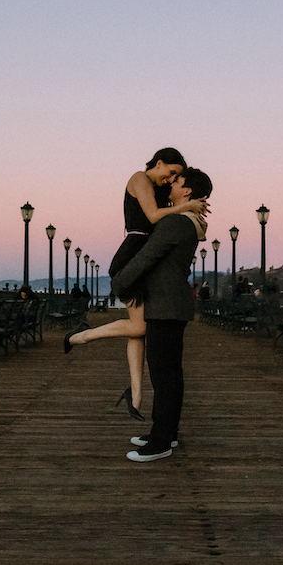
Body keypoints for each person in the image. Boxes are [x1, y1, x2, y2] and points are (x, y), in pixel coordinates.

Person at [64, 148, 208, 421]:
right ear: (159, 162)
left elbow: (177, 214)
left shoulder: (161, 189)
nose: (171, 179)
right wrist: (187, 206)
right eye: (171, 172)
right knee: (140, 327)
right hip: (132, 254)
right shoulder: (139, 178)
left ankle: (136, 395)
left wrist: (193, 205)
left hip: (145, 256)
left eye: (176, 177)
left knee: (138, 329)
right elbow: (153, 217)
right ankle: (81, 335)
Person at [110, 168, 211, 461]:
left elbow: (146, 257)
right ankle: (167, 432)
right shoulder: (186, 221)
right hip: (172, 305)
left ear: (187, 191)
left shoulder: (175, 223)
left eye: (177, 181)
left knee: (164, 376)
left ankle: (161, 441)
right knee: (170, 374)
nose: (171, 184)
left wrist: (119, 282)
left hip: (165, 307)